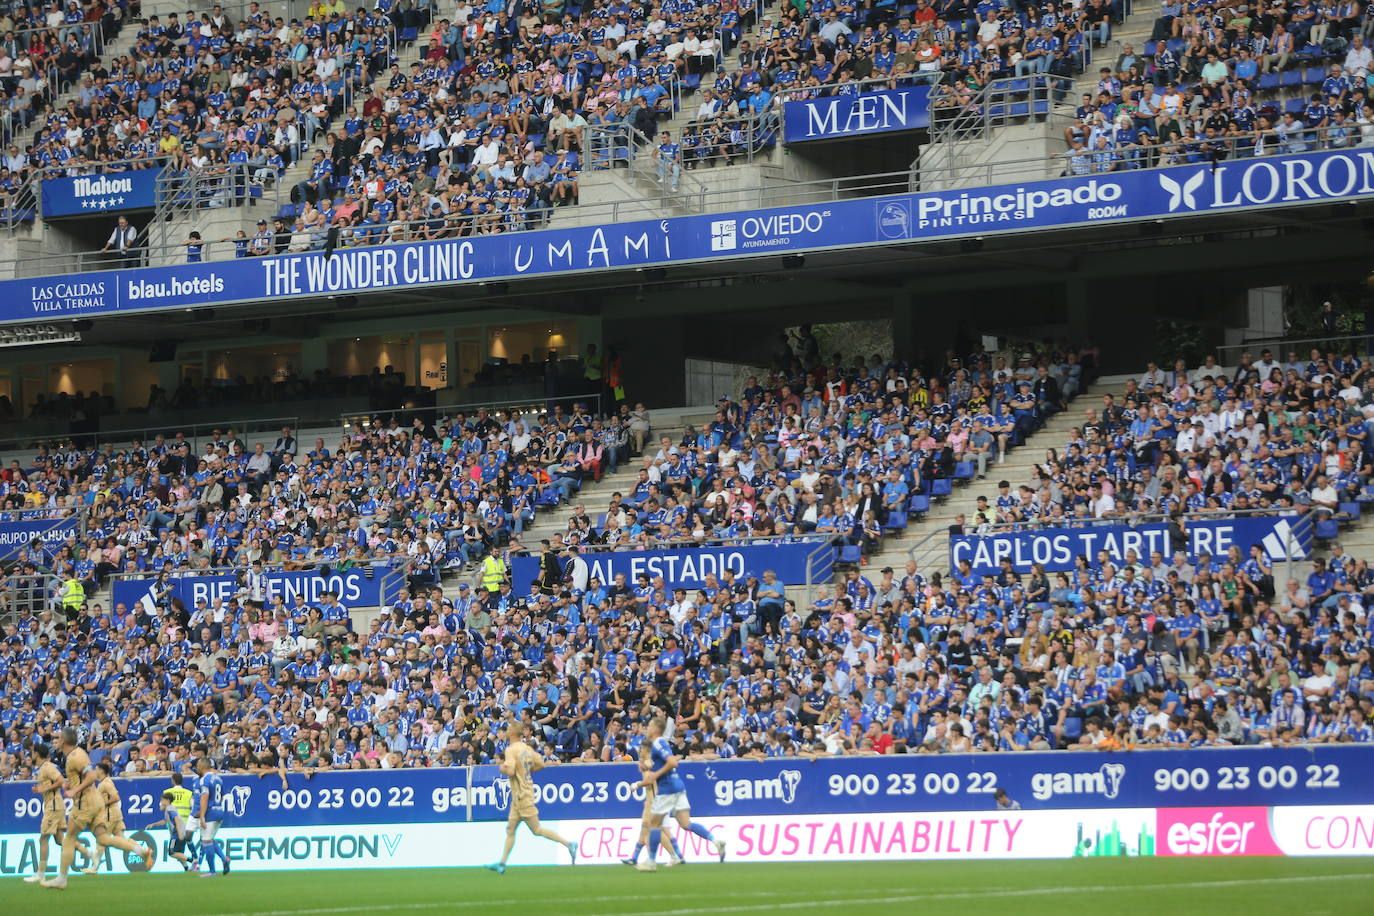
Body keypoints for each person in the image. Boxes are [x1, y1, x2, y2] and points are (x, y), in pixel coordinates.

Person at [41, 727, 152, 889]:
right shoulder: (77, 754)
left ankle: (62, 878)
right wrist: (70, 784)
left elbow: (91, 776)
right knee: (103, 838)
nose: (55, 742)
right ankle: (141, 851)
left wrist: (74, 790)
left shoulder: (74, 757)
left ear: (64, 741)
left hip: (84, 802)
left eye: (57, 739)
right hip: (95, 800)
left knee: (69, 839)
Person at [485, 721, 578, 874]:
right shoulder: (527, 749)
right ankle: (502, 863)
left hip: (522, 794)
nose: (506, 731)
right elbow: (541, 763)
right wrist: (527, 772)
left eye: (508, 729)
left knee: (536, 829)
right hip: (521, 794)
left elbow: (510, 771)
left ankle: (569, 844)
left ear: (513, 733)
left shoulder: (511, 750)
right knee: (511, 829)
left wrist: (501, 768)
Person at [636, 716, 726, 871]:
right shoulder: (662, 743)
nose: (647, 728)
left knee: (654, 824)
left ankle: (651, 861)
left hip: (667, 788)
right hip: (678, 785)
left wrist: (655, 775)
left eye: (649, 725)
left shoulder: (658, 743)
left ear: (656, 729)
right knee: (686, 824)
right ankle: (715, 840)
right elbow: (665, 762)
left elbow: (672, 762)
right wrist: (646, 766)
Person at [23, 742, 91, 883]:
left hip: (53, 806)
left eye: (33, 752)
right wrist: (41, 789)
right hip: (55, 804)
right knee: (60, 839)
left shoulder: (47, 767)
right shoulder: (44, 768)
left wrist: (44, 789)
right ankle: (88, 852)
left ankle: (40, 873)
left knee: (43, 838)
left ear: (37, 753)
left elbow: (60, 781)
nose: (31, 754)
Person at [622, 731, 684, 867]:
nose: (639, 751)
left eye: (641, 748)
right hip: (651, 800)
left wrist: (636, 785)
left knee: (655, 830)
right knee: (646, 828)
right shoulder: (646, 762)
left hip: (655, 800)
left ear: (647, 749)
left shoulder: (649, 762)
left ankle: (672, 855)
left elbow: (649, 780)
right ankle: (635, 857)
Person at [82, 762, 129, 874]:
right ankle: (142, 850)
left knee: (101, 840)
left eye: (96, 769)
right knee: (122, 841)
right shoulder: (104, 782)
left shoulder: (105, 783)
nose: (94, 771)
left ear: (101, 771)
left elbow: (116, 797)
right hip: (115, 814)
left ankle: (94, 868)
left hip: (109, 815)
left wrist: (102, 803)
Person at [195, 756, 230, 877]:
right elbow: (222, 795)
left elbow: (204, 797)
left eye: (198, 766)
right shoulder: (218, 778)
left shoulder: (204, 780)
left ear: (202, 766)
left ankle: (212, 871)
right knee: (211, 839)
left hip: (210, 813)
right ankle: (224, 858)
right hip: (219, 810)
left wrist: (202, 816)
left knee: (206, 841)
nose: (197, 768)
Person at [146, 788, 195, 871]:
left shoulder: (170, 809)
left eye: (162, 800)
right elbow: (165, 821)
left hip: (177, 833)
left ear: (167, 800)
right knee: (179, 853)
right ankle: (187, 868)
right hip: (178, 832)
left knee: (172, 852)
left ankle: (193, 861)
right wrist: (153, 825)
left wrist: (179, 833)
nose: (161, 802)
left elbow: (177, 819)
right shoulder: (169, 809)